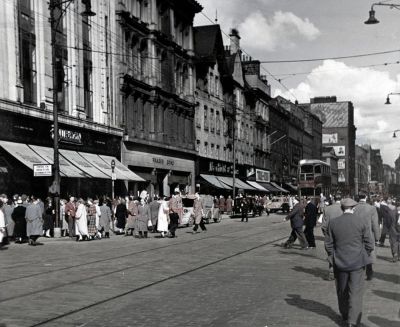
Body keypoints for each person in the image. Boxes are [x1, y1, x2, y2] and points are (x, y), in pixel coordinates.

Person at [325, 198, 374, 327]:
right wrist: (365, 254)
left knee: (342, 290)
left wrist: (332, 256)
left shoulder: (333, 223)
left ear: (342, 208)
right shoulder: (361, 221)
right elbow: (369, 243)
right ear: (354, 208)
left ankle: (345, 314)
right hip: (357, 263)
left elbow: (328, 244)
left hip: (339, 262)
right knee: (356, 292)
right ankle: (353, 321)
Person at [355, 194, 380, 279]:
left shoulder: (354, 207)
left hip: (356, 234)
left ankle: (358, 272)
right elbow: (375, 224)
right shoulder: (372, 208)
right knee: (368, 252)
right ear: (366, 198)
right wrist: (377, 237)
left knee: (357, 253)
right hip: (368, 234)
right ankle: (369, 272)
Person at [321, 194, 344, 280]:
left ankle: (332, 271)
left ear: (333, 199)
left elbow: (323, 225)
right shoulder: (344, 208)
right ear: (341, 199)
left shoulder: (327, 209)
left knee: (331, 253)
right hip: (342, 235)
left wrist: (326, 234)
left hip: (330, 235)